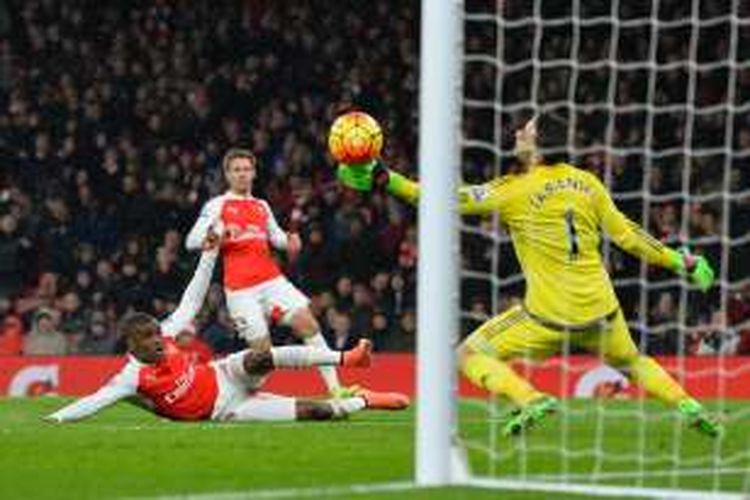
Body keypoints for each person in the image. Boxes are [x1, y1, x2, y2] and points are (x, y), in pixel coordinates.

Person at [337, 109, 722, 438]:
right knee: (633, 362)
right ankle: (690, 407)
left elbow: (441, 199)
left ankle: (530, 399)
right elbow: (629, 237)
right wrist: (680, 262)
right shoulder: (587, 182)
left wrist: (385, 178)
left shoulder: (514, 190)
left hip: (549, 316)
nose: (519, 131)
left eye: (528, 128)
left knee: (468, 354)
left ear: (538, 144)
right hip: (601, 309)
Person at [45, 251, 408, 423]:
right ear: (132, 345)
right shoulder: (128, 379)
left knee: (259, 355)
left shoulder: (169, 335)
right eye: (149, 338)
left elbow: (192, 298)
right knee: (318, 413)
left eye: (158, 333)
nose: (159, 340)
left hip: (224, 374)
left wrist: (207, 256)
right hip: (228, 410)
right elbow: (91, 403)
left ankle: (348, 358)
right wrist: (56, 420)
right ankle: (363, 400)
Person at [185, 148, 353, 397]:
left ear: (253, 173)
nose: (242, 174)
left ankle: (336, 389)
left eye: (246, 169)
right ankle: (232, 391)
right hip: (241, 290)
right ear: (228, 175)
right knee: (262, 355)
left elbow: (276, 238)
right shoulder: (218, 205)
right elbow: (191, 240)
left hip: (271, 281)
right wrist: (211, 237)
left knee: (308, 324)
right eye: (236, 170)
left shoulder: (261, 206)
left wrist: (290, 241)